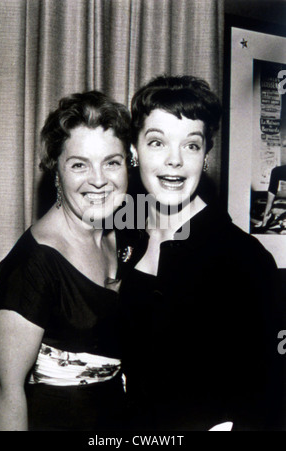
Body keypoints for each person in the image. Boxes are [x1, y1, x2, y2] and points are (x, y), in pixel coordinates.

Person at [120, 75, 283, 431]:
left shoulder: (243, 260)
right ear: (134, 150)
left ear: (206, 153)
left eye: (191, 145)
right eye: (157, 143)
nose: (174, 161)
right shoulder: (122, 237)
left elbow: (267, 393)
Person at [0, 91, 132, 431]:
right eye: (79, 164)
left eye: (112, 162)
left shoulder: (123, 232)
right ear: (56, 170)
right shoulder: (34, 262)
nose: (98, 180)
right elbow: (3, 387)